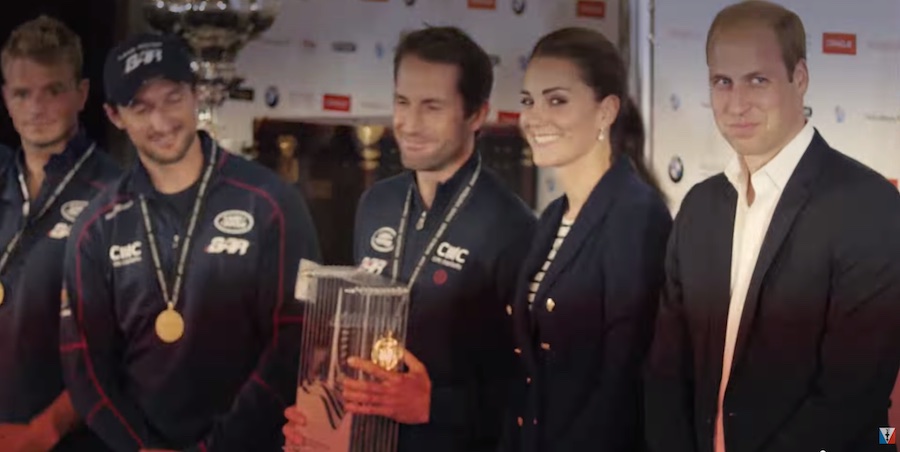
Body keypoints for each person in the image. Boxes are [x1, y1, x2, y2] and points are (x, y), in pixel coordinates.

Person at [644, 2, 900, 452]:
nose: (736, 103)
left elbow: (853, 390)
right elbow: (667, 371)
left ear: (799, 78)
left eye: (757, 80)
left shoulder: (869, 205)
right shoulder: (698, 208)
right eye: (722, 81)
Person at [59, 32, 321, 451]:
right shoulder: (95, 227)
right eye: (140, 108)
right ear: (114, 115)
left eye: (172, 99)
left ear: (196, 94)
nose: (161, 122)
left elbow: (296, 343)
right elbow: (85, 366)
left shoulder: (272, 204)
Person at [283, 26, 537, 452]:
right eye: (402, 102)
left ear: (476, 115)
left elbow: (534, 391)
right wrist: (322, 417)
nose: (410, 124)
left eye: (432, 107)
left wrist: (434, 405)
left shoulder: (512, 227)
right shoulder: (376, 204)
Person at [499, 27, 672, 452]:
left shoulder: (636, 215)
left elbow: (622, 382)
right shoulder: (552, 219)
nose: (534, 117)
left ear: (606, 111)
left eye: (556, 100)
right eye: (528, 101)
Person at [0, 16, 121, 451]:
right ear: (6, 99)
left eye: (53, 90)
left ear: (81, 94)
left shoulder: (116, 193)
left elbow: (127, 342)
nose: (36, 108)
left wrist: (44, 430)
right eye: (22, 93)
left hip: (68, 438)